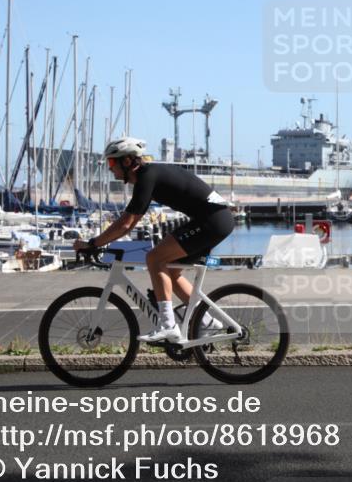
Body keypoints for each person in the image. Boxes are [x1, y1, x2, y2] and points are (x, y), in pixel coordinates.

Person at [73, 137, 234, 343]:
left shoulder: (147, 177)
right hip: (215, 219)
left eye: (112, 163)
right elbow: (128, 222)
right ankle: (209, 323)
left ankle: (168, 325)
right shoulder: (150, 174)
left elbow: (126, 224)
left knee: (154, 259)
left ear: (128, 161)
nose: (110, 169)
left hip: (212, 221)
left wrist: (93, 243)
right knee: (171, 271)